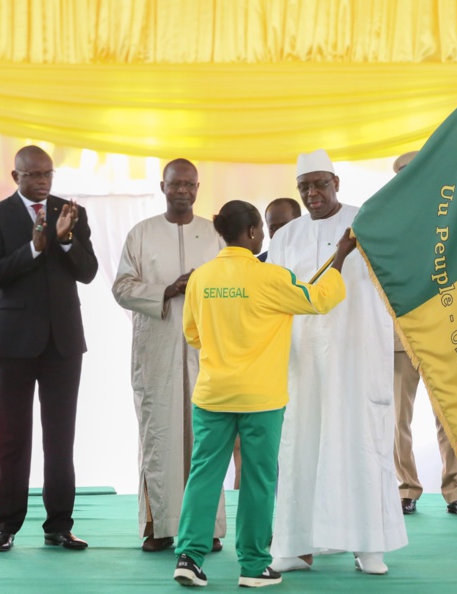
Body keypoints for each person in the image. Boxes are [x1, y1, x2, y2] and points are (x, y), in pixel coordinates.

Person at [173, 200, 352, 588]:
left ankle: (189, 556)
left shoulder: (201, 278)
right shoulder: (272, 277)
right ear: (254, 232)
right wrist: (340, 257)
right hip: (261, 398)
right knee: (258, 480)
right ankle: (253, 567)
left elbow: (192, 334)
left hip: (213, 394)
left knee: (204, 474)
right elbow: (320, 300)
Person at [268, 149, 408, 575]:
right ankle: (295, 545)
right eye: (304, 186)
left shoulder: (366, 221)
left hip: (357, 355)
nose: (312, 193)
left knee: (359, 442)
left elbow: (397, 271)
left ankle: (369, 546)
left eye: (320, 184)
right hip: (302, 361)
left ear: (336, 183)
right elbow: (278, 296)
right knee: (301, 445)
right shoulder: (285, 236)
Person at [0, 145, 98, 552]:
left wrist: (64, 241)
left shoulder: (71, 212)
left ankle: (59, 526)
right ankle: (7, 525)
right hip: (13, 345)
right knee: (12, 439)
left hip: (63, 344)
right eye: (34, 175)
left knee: (61, 439)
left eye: (48, 174)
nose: (43, 181)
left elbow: (89, 272)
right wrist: (34, 248)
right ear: (16, 177)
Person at [112, 158, 227, 552]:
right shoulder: (141, 234)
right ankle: (158, 526)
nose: (182, 191)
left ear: (198, 187)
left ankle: (206, 528)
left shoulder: (215, 235)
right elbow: (122, 287)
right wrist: (167, 289)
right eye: (175, 184)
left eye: (189, 185)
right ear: (162, 186)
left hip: (205, 350)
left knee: (206, 438)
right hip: (157, 349)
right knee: (158, 435)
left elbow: (232, 283)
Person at [391, 151, 457, 518]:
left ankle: (456, 491)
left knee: (452, 417)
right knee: (399, 418)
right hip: (401, 333)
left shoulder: (452, 214)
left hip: (447, 331)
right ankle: (406, 489)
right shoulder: (388, 219)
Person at [232, 196, 302, 489]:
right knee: (263, 456)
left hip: (308, 366)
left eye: (286, 226)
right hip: (265, 373)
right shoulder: (252, 267)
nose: (279, 234)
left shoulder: (319, 261)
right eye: (273, 228)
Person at [257, 198, 301, 263]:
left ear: (300, 222)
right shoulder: (261, 263)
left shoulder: (315, 255)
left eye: (284, 226)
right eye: (273, 228)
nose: (279, 233)